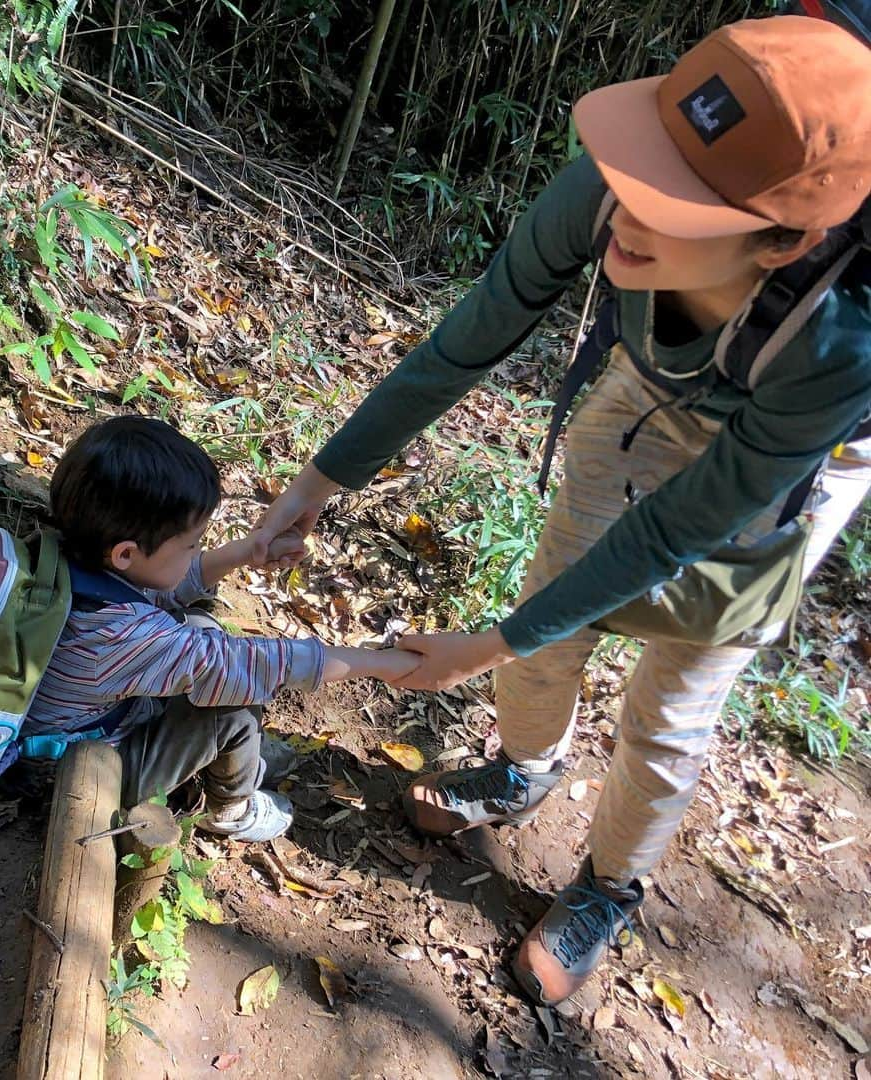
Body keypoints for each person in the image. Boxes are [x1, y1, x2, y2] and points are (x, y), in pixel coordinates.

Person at [259, 15, 871, 1002]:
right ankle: (522, 770)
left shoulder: (841, 348)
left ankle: (608, 886)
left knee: (673, 702)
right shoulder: (612, 193)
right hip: (653, 382)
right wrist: (318, 484)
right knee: (551, 606)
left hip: (796, 457)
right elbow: (465, 344)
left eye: (673, 202)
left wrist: (483, 644)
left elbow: (680, 532)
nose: (628, 207)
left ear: (788, 240)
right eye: (642, 164)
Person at [23, 415, 419, 842]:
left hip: (70, 719)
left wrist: (246, 552)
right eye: (191, 543)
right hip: (73, 773)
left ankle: (238, 758)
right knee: (231, 711)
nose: (197, 550)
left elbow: (162, 589)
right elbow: (260, 664)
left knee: (197, 626)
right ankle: (230, 807)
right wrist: (382, 664)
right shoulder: (124, 637)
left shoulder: (68, 558)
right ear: (125, 554)